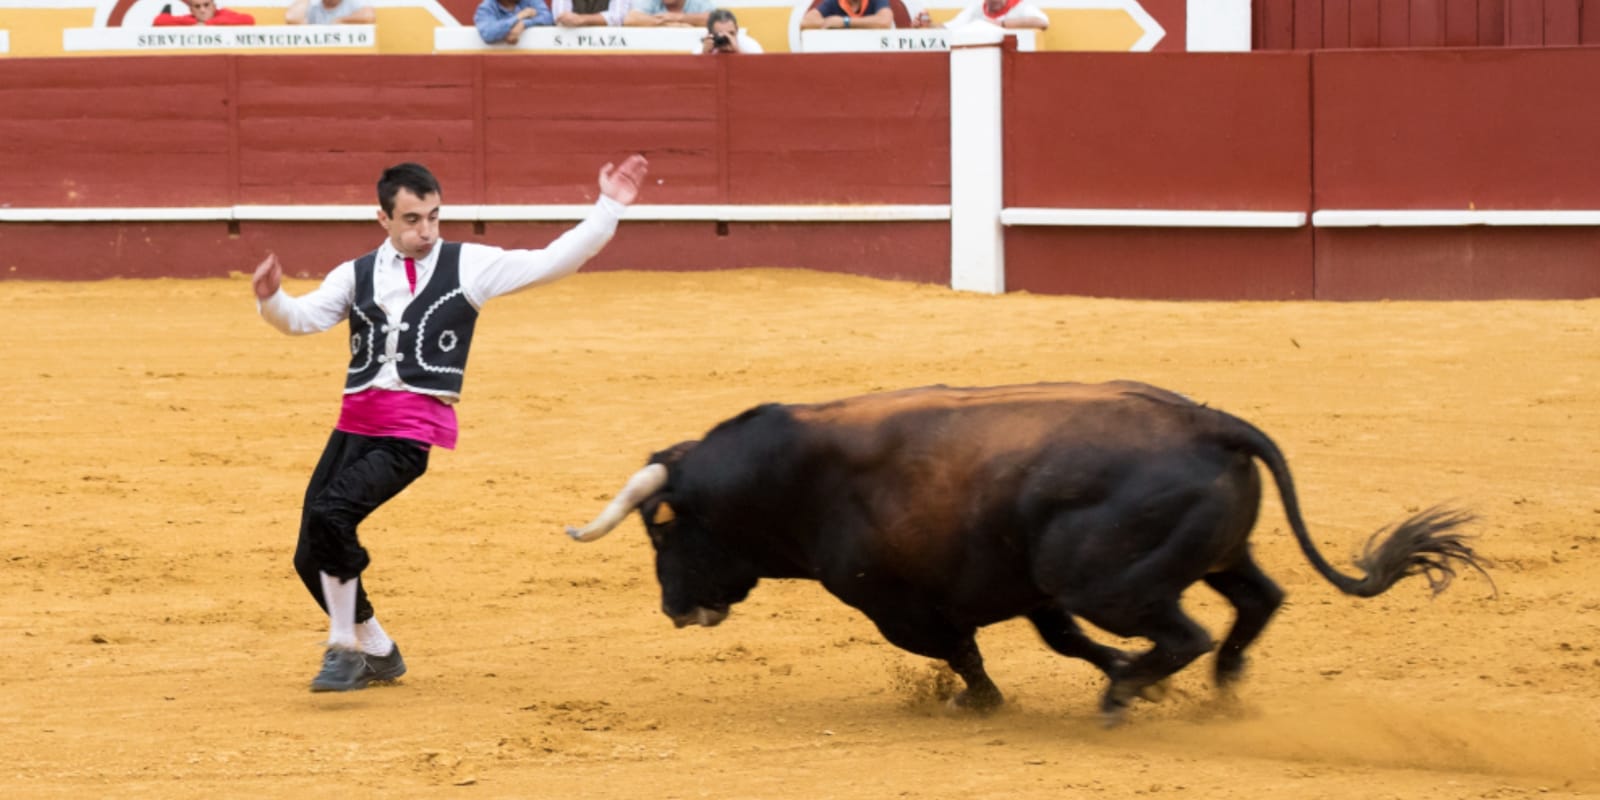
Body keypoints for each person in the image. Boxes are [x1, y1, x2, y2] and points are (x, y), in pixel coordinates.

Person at [250, 154, 650, 693]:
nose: (426, 231)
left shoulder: (468, 266)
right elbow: (303, 319)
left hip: (408, 433)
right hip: (354, 427)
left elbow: (554, 260)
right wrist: (272, 300)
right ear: (384, 218)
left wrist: (608, 208)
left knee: (330, 514)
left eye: (434, 217)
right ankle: (378, 651)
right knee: (309, 554)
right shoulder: (355, 273)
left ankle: (343, 646)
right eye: (412, 219)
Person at [475, 0, 554, 44]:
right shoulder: (486, 7)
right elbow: (488, 33)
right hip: (500, 61)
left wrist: (523, 24)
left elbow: (548, 18)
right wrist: (517, 17)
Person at [943, 0, 1048, 29]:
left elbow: (1043, 22)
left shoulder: (1019, 6)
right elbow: (950, 26)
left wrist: (1000, 24)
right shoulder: (977, 8)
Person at [801, 0, 893, 30]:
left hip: (872, 54)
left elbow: (885, 22)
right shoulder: (834, 2)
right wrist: (831, 23)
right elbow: (805, 22)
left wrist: (845, 22)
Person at [153, 0, 255, 25]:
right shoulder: (191, 18)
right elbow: (159, 20)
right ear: (191, 10)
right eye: (197, 6)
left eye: (206, 5)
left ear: (214, 6)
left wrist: (208, 23)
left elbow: (248, 19)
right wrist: (195, 23)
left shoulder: (222, 13)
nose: (202, 10)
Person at [623, 0, 712, 27]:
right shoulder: (652, 1)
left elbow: (713, 20)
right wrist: (668, 24)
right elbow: (630, 19)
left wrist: (678, 18)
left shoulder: (698, 2)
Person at [286, 0, 376, 24]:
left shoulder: (351, 3)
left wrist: (341, 20)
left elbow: (369, 15)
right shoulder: (313, 6)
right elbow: (290, 18)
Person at [549, 0, 625, 27]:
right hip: (570, 43)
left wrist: (582, 19)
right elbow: (561, 17)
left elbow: (618, 17)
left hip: (609, 46)